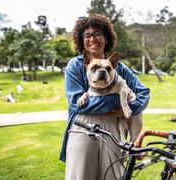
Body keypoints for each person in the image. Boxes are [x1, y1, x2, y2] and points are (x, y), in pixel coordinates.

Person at [60, 14, 150, 180]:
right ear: (82, 40)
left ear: (106, 38)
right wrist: (121, 102)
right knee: (81, 174)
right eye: (87, 35)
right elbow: (77, 104)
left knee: (112, 175)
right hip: (83, 126)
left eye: (97, 34)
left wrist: (129, 109)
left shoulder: (120, 68)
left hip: (113, 129)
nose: (92, 39)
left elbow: (144, 92)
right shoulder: (75, 65)